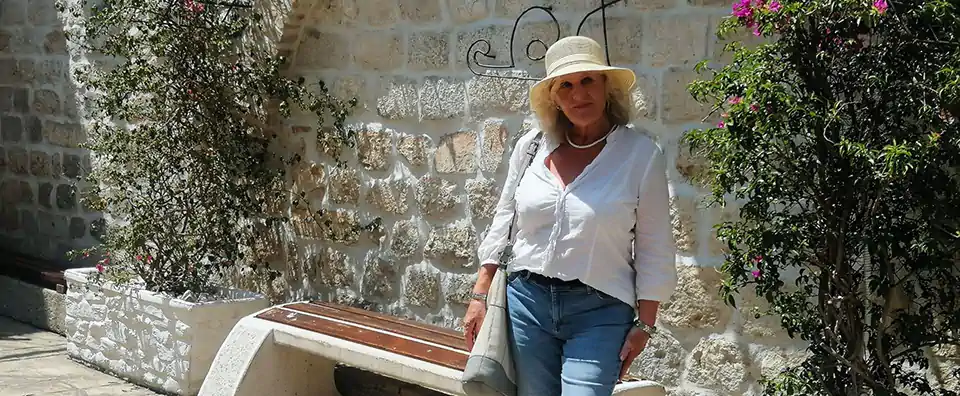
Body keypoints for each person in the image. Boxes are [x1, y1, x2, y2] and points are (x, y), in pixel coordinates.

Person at [461, 36, 679, 396]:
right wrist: (480, 294)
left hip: (600, 312)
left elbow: (654, 244)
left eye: (588, 80)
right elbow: (504, 220)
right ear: (554, 98)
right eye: (566, 85)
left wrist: (646, 323)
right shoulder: (531, 147)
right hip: (526, 304)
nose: (579, 94)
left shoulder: (640, 155)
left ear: (606, 86)